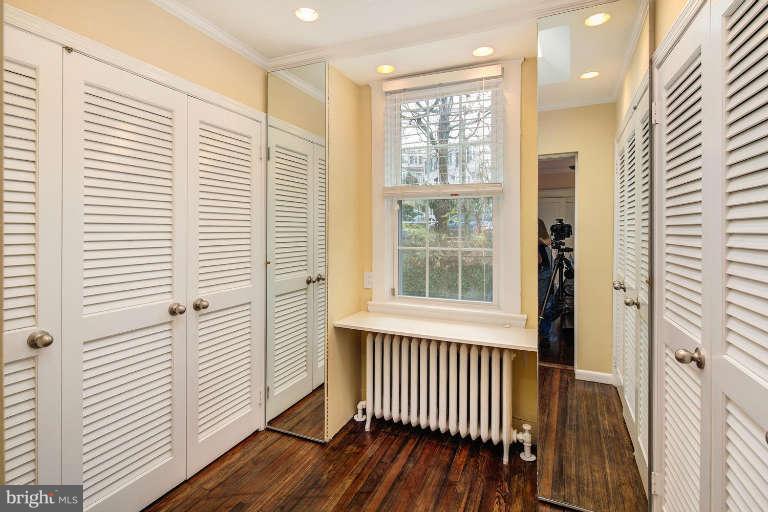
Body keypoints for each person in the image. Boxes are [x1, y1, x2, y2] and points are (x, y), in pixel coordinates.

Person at [538, 219, 556, 343]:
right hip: (547, 274)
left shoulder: (538, 242)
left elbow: (538, 260)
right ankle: (545, 334)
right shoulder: (544, 243)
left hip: (542, 275)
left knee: (542, 305)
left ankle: (543, 335)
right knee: (547, 304)